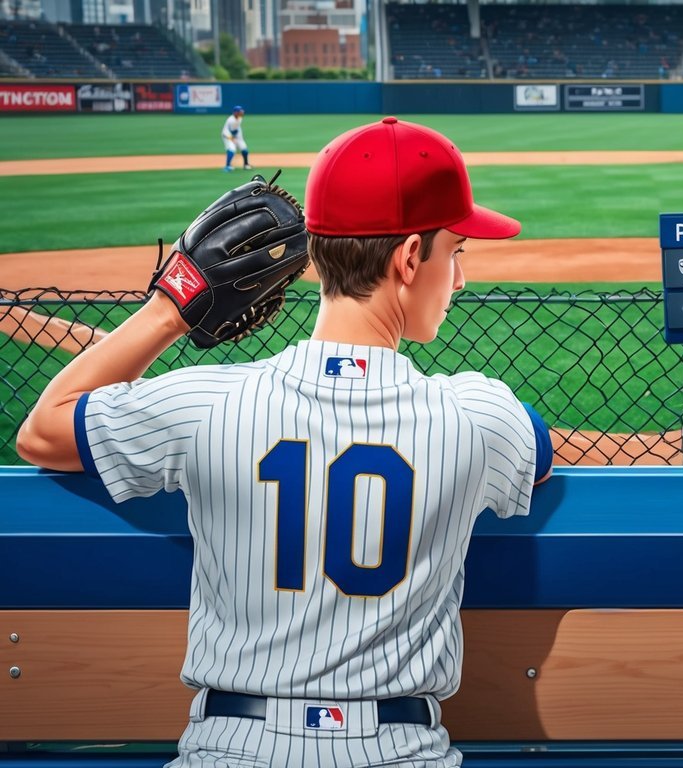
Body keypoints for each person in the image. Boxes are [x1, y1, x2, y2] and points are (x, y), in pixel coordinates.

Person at [17, 116, 555, 765]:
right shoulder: (480, 416)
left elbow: (44, 429)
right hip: (401, 750)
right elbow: (543, 449)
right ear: (410, 258)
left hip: (228, 747)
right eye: (456, 253)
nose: (460, 278)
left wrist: (172, 305)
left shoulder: (203, 403)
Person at [221, 104, 251, 172]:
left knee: (244, 149)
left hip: (236, 135)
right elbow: (227, 131)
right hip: (227, 135)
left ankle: (246, 165)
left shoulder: (240, 118)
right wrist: (232, 139)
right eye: (239, 111)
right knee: (232, 149)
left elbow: (236, 129)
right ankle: (227, 166)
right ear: (235, 112)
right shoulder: (231, 120)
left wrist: (238, 139)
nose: (241, 112)